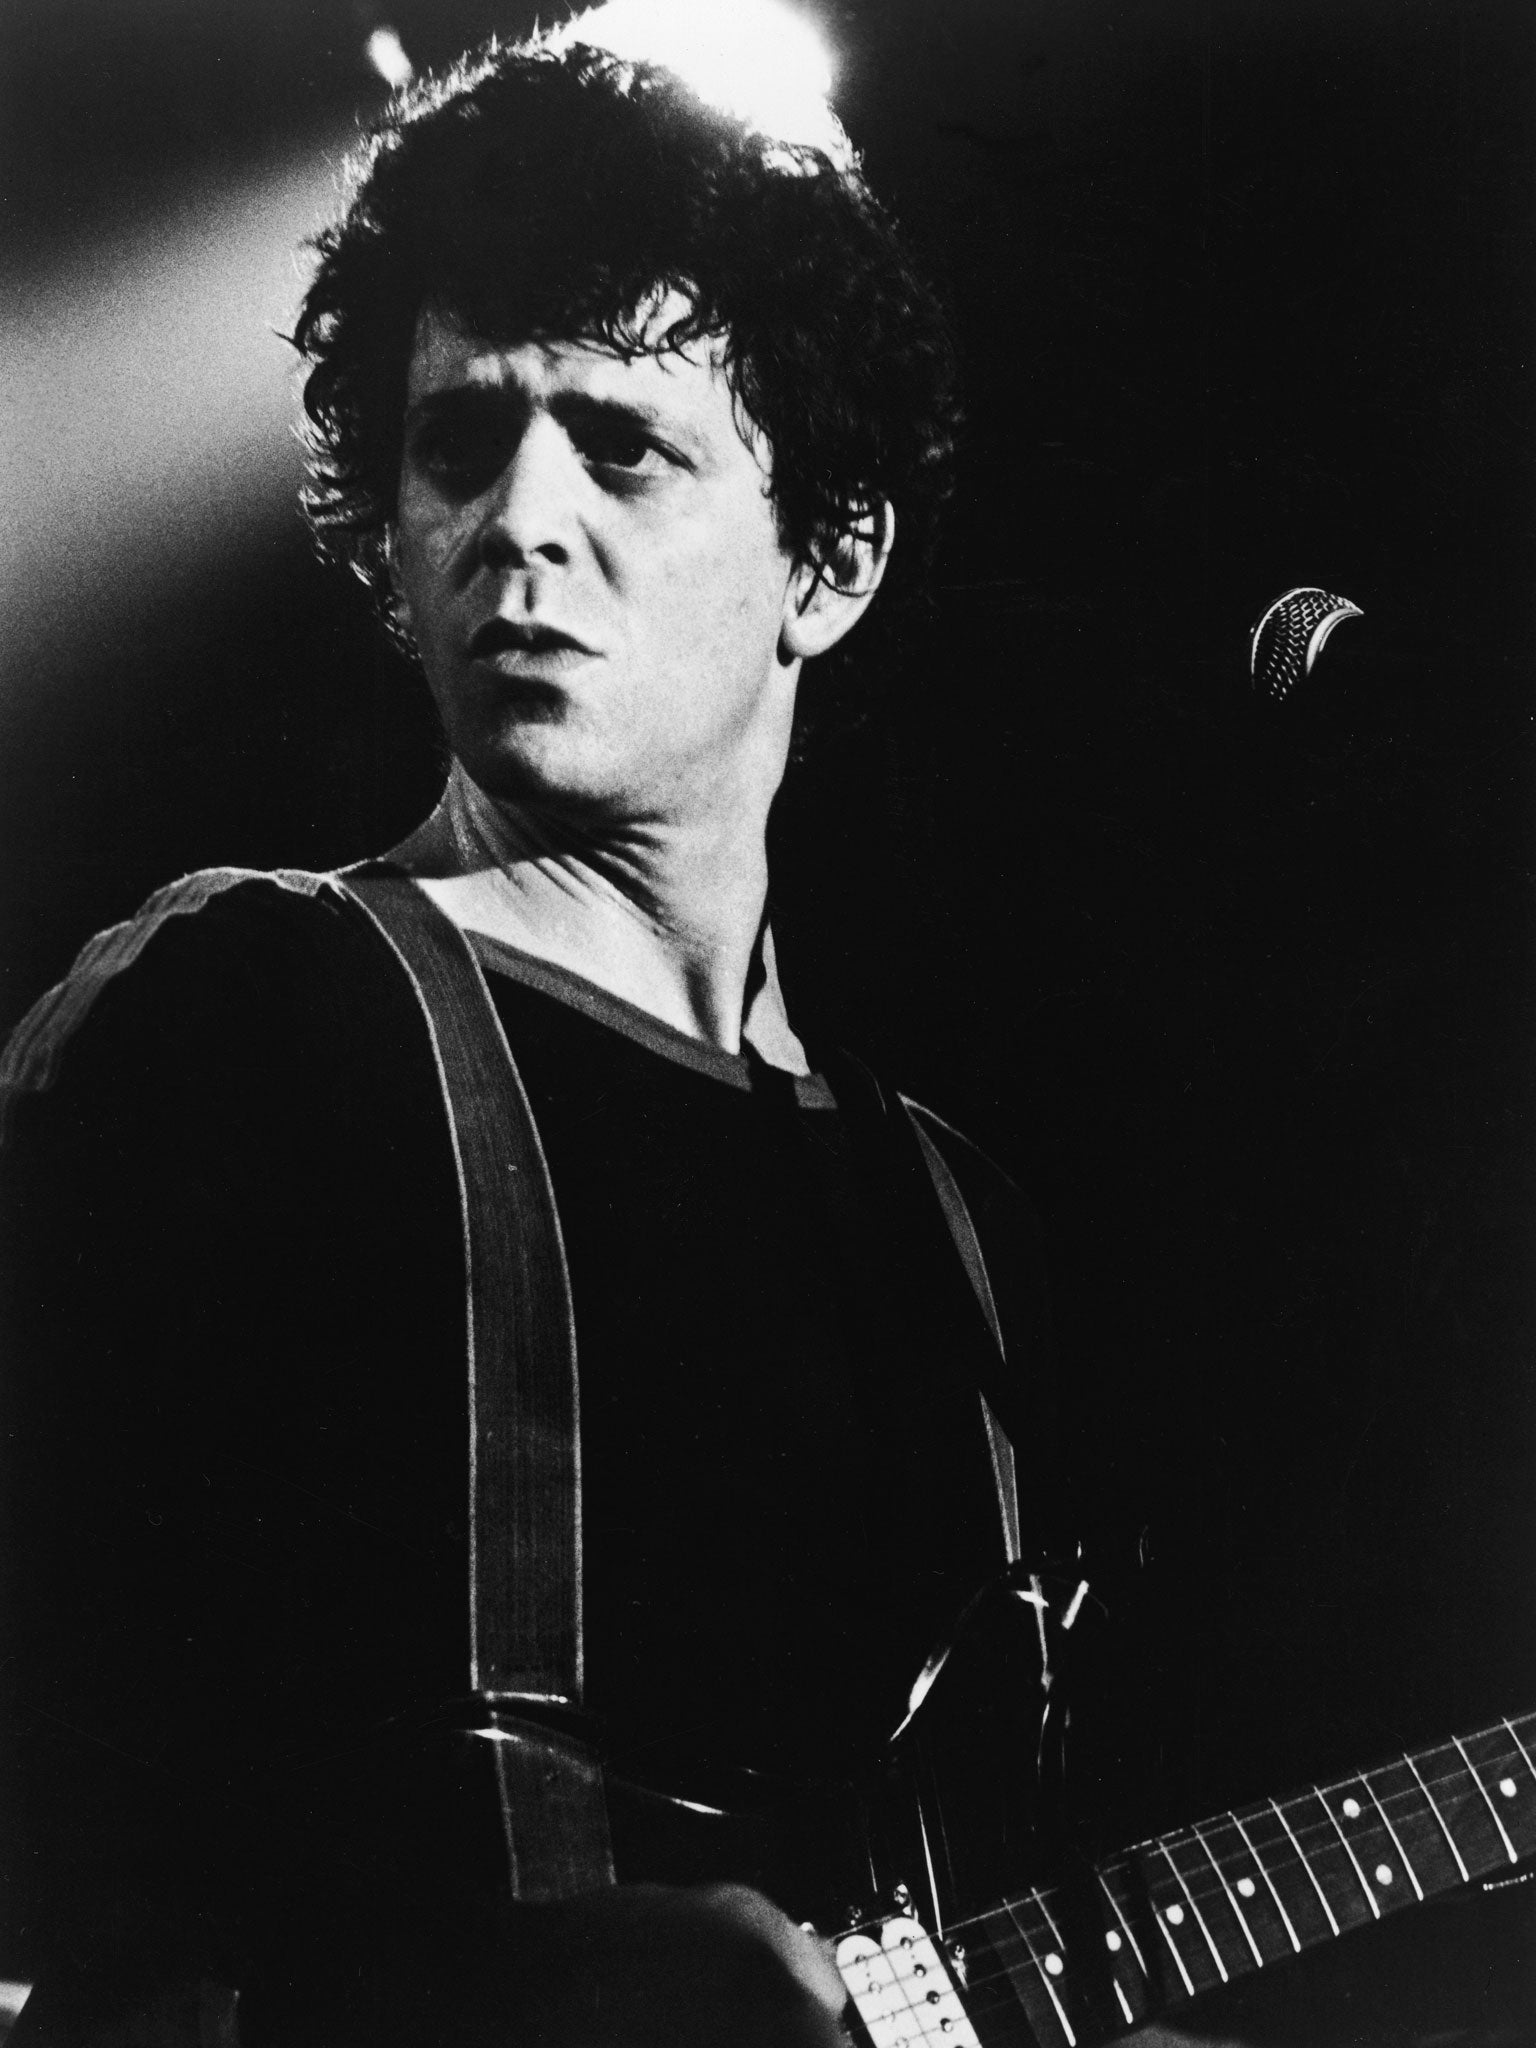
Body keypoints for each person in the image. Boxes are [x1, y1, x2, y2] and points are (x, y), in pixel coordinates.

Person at [0, 22, 1065, 2046]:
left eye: (623, 441)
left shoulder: (952, 1222)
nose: (519, 519)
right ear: (389, 549)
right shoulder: (242, 1023)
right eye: (461, 442)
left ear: (828, 559)